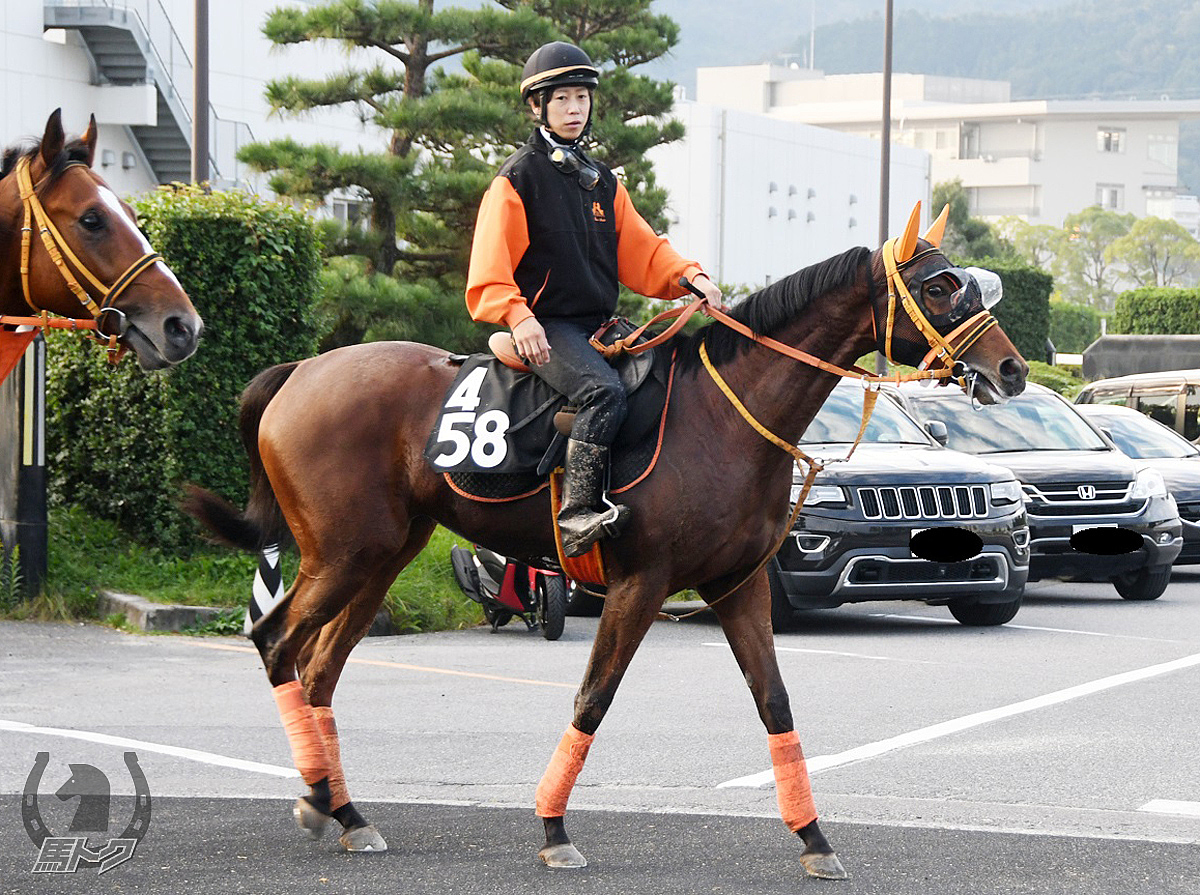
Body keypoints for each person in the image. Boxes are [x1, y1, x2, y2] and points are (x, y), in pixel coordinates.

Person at [466, 41, 723, 558]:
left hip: (599, 324)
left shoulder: (602, 181)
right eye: (561, 99)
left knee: (669, 376)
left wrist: (690, 277)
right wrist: (518, 317)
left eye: (581, 98)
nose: (574, 109)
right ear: (537, 106)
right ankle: (579, 512)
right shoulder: (516, 179)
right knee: (603, 393)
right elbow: (487, 272)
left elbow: (644, 252)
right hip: (548, 327)